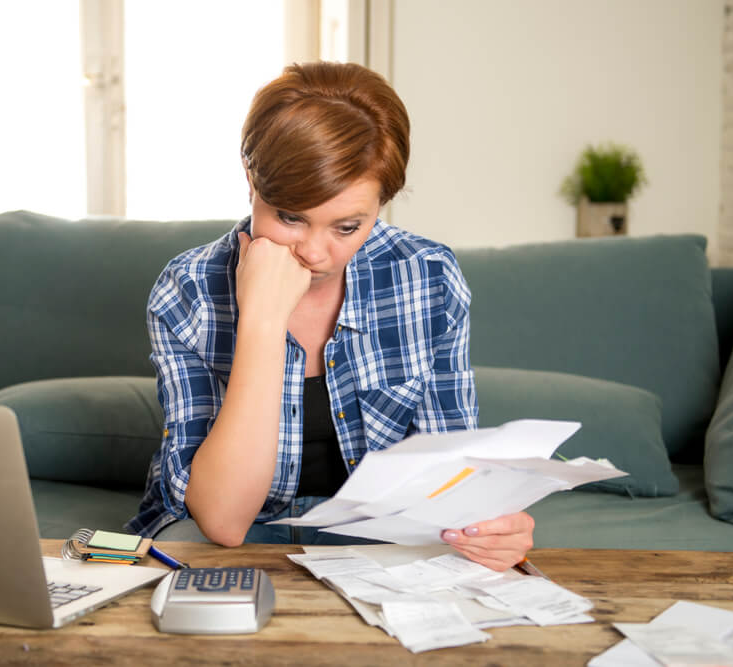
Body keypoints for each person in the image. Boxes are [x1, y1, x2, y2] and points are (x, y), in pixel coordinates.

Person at [127, 61, 534, 571]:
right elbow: (223, 521)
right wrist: (261, 321)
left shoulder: (426, 275)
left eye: (346, 226)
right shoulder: (188, 290)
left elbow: (446, 477)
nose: (315, 254)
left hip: (375, 528)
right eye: (291, 218)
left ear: (381, 204)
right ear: (251, 179)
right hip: (228, 528)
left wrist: (487, 527)